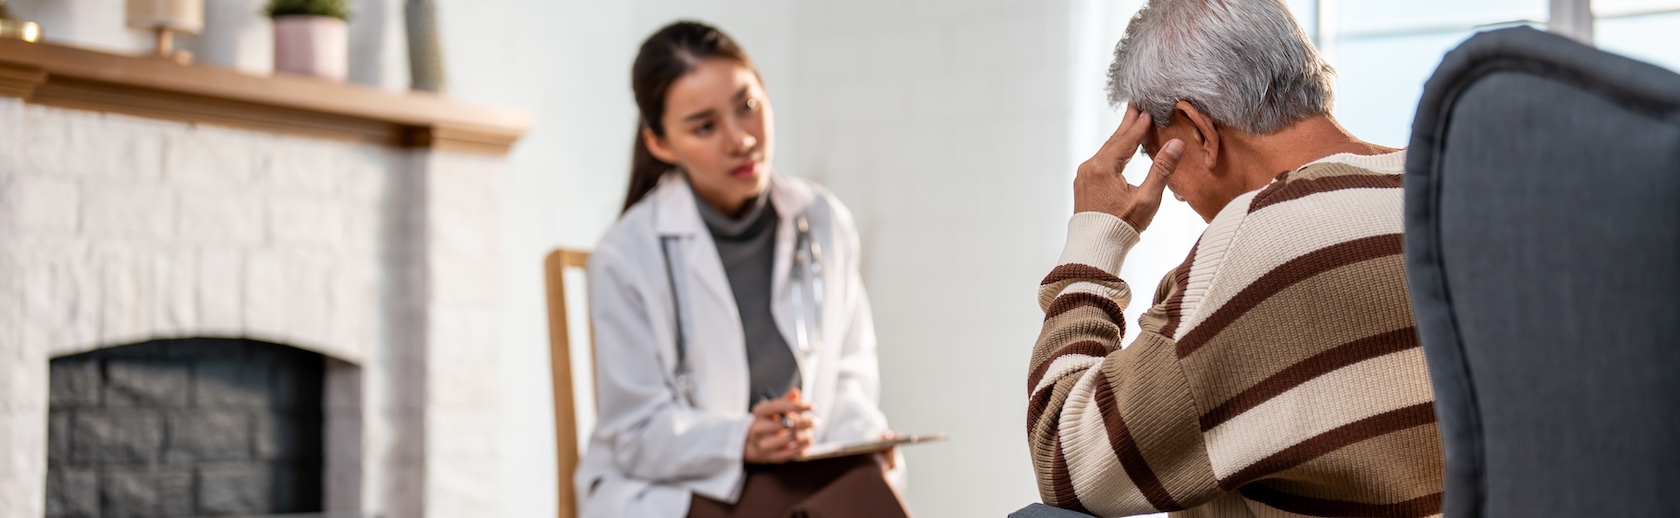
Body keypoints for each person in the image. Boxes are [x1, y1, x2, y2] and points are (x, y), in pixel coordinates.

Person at [1025, 0, 1445, 516]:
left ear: (1198, 129)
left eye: (1156, 155)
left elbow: (1065, 461)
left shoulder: (1256, 245)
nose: (1172, 192)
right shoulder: (1455, 195)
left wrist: (1094, 241)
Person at [575, 21, 909, 518]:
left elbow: (849, 374)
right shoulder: (626, 255)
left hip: (798, 471)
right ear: (661, 143)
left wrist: (861, 438)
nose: (741, 140)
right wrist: (740, 440)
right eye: (705, 126)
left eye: (747, 107)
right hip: (673, 485)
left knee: (869, 489)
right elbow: (634, 433)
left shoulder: (822, 220)